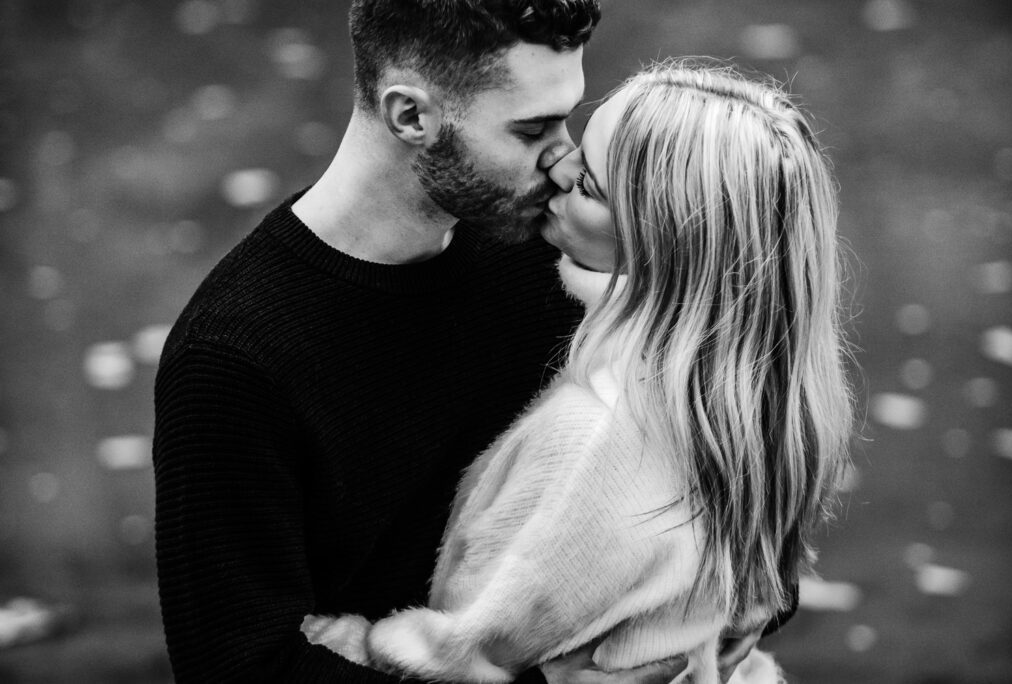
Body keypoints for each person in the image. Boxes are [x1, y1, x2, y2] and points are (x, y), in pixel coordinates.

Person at [154, 2, 762, 682]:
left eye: (566, 118)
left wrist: (720, 611)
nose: (565, 160)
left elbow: (711, 443)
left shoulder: (547, 250)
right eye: (532, 129)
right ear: (411, 116)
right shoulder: (232, 360)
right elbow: (242, 669)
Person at [300, 62, 854, 684]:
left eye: (590, 186)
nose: (560, 168)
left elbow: (472, 652)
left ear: (660, 242)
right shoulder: (746, 406)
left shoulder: (596, 441)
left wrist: (352, 642)